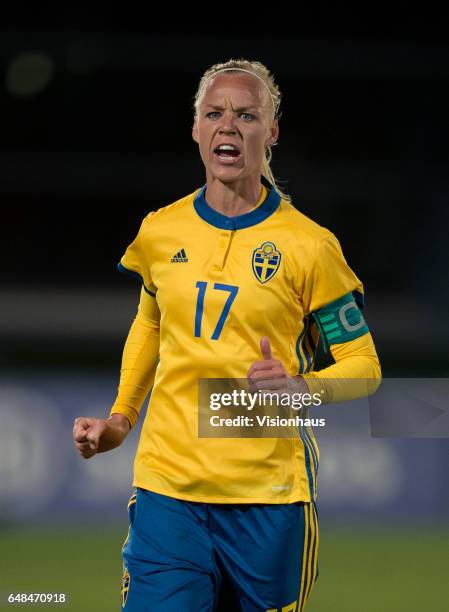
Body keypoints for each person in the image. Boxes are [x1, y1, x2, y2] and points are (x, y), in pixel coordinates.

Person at [73, 58, 381, 611]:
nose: (229, 126)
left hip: (269, 500)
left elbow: (365, 367)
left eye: (246, 114)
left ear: (272, 131)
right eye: (214, 114)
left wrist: (303, 388)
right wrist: (121, 418)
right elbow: (150, 324)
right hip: (169, 490)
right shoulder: (160, 231)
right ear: (196, 129)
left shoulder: (311, 246)